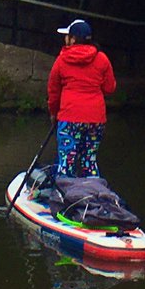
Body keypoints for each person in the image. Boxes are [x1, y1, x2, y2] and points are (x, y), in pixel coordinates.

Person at [47, 19, 116, 178]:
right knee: (89, 161)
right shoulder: (102, 59)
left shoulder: (62, 60)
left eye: (67, 36)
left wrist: (53, 113)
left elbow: (53, 92)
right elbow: (109, 88)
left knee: (67, 162)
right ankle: (92, 190)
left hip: (70, 117)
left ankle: (64, 190)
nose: (65, 39)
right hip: (96, 118)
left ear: (72, 39)